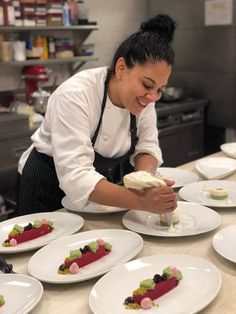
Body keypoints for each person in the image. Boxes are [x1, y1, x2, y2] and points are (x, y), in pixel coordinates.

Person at [17, 14, 177, 215]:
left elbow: (147, 146)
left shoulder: (144, 98)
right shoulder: (76, 94)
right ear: (121, 68)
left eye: (160, 89)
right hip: (46, 185)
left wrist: (147, 180)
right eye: (147, 85)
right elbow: (76, 174)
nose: (153, 96)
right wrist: (143, 202)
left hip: (97, 188)